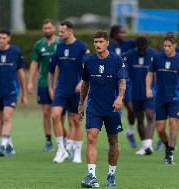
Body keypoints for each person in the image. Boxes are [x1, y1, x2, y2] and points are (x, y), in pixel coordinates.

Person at [79, 31, 127, 188]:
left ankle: (111, 174)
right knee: (91, 138)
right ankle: (91, 176)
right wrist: (81, 103)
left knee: (113, 141)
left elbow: (122, 81)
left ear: (107, 43)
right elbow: (85, 83)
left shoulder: (117, 60)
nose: (97, 45)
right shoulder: (89, 61)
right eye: (95, 42)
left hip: (112, 107)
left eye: (100, 42)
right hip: (94, 107)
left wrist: (120, 97)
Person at [146, 34, 179, 164]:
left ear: (175, 46)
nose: (166, 48)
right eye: (165, 46)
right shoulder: (157, 58)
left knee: (174, 124)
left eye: (169, 46)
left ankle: (170, 152)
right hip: (160, 98)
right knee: (161, 129)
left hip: (175, 98)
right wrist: (148, 88)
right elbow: (150, 74)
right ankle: (168, 146)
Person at [51, 21, 88, 163]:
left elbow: (86, 67)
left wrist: (81, 82)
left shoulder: (81, 47)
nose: (59, 34)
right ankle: (61, 150)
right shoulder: (59, 47)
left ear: (70, 31)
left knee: (76, 120)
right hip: (61, 88)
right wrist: (54, 86)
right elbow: (57, 68)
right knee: (55, 115)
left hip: (76, 89)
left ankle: (77, 153)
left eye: (61, 32)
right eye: (59, 31)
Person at [0, 28, 28, 157]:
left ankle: (3, 145)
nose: (2, 40)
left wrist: (24, 93)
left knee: (6, 117)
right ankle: (9, 144)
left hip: (11, 91)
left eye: (4, 38)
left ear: (9, 38)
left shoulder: (15, 52)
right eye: (0, 38)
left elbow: (21, 73)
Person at [27, 19, 61, 152]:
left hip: (59, 84)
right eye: (45, 28)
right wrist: (30, 81)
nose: (47, 30)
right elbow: (34, 63)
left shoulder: (60, 43)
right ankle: (48, 140)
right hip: (43, 83)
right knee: (46, 112)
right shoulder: (39, 44)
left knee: (59, 114)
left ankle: (63, 139)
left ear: (54, 29)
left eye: (49, 28)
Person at [125, 36, 157, 155]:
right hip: (135, 92)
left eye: (144, 48)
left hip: (150, 91)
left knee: (149, 115)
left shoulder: (154, 54)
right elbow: (124, 71)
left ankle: (148, 145)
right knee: (139, 119)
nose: (142, 50)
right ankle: (144, 146)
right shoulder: (130, 54)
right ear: (137, 47)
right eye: (140, 48)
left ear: (147, 46)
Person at [108, 25, 137, 148]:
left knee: (131, 108)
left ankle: (130, 131)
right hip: (112, 83)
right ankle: (115, 140)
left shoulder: (128, 44)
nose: (124, 35)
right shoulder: (108, 46)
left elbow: (142, 41)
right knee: (115, 112)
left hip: (126, 81)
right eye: (121, 33)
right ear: (114, 33)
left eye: (125, 32)